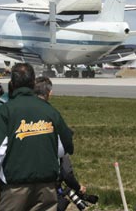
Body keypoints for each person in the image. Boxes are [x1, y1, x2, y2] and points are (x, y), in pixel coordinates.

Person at [0, 63, 74, 211]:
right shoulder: (49, 111)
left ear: (12, 84)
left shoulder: (4, 111)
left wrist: (0, 171)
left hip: (15, 185)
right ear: (33, 83)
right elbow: (66, 146)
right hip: (46, 184)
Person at [33, 77, 93, 211]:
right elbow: (66, 170)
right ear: (49, 93)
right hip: (48, 183)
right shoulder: (52, 114)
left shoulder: (23, 111)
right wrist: (77, 187)